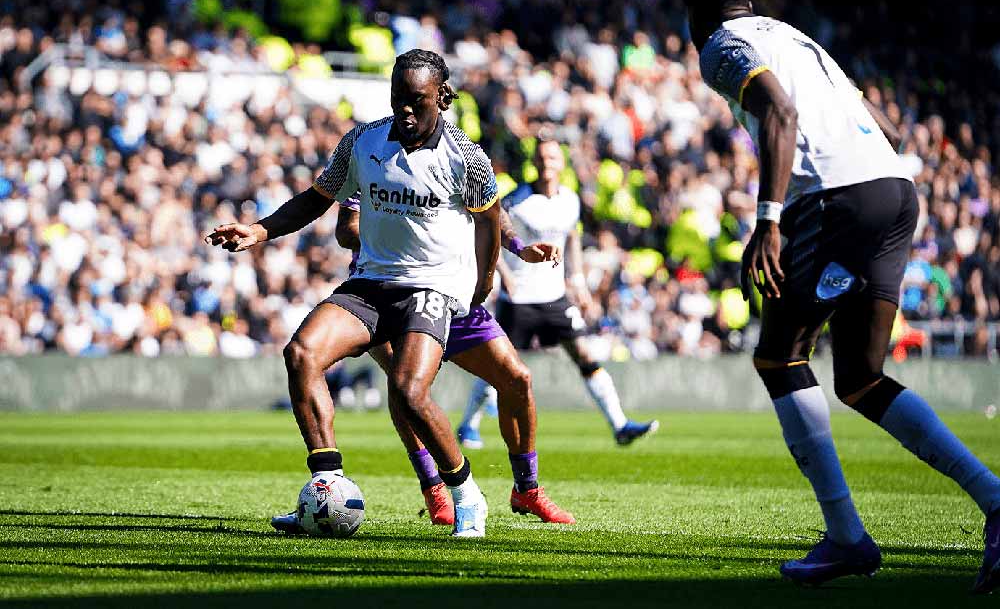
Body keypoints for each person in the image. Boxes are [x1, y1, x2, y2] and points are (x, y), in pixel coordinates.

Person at [679, 0, 1000, 591]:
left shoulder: (721, 44)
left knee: (780, 358)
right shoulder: (797, 37)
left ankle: (848, 537)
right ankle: (993, 502)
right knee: (858, 377)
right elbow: (873, 119)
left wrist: (769, 218)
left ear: (694, 11)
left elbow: (780, 114)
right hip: (891, 188)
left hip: (832, 199)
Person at [205, 49, 500, 537]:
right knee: (301, 353)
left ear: (441, 98)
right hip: (372, 281)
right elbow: (316, 199)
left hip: (432, 285)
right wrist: (260, 231)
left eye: (417, 101)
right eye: (397, 98)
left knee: (408, 392)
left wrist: (483, 281)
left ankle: (467, 493)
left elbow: (490, 221)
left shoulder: (465, 156)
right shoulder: (362, 141)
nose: (405, 110)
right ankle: (326, 488)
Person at [335, 193, 575, 524]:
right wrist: (406, 228)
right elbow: (346, 231)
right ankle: (434, 487)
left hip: (448, 288)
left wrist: (519, 247)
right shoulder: (369, 150)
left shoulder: (458, 151)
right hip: (383, 289)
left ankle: (527, 488)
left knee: (516, 377)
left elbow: (491, 211)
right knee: (406, 389)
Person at [458, 137, 659, 446]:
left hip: (554, 297)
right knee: (498, 364)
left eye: (551, 157)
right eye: (541, 158)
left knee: (585, 355)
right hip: (520, 297)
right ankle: (469, 425)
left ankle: (620, 425)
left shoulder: (570, 200)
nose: (545, 163)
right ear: (534, 162)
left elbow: (572, 239)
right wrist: (505, 274)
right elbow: (489, 232)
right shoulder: (517, 200)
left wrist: (577, 281)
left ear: (561, 162)